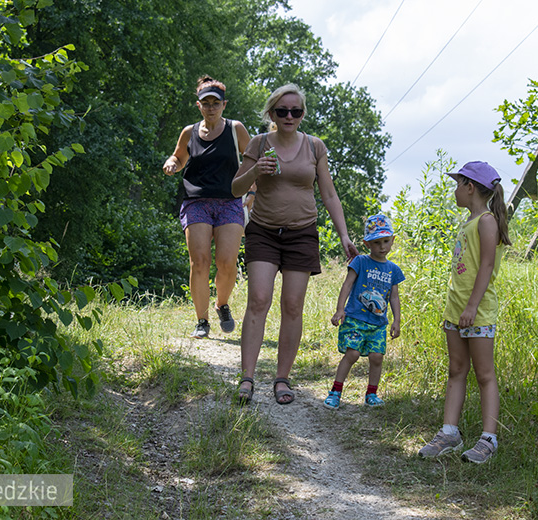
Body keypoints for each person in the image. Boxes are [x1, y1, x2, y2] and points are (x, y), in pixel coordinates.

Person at [231, 83, 359, 405]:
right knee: (259, 299)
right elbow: (234, 188)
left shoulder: (315, 147)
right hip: (263, 230)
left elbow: (328, 193)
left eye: (296, 111)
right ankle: (247, 378)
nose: (289, 116)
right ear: (272, 113)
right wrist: (255, 172)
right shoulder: (259, 144)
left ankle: (282, 378)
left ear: (302, 114)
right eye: (282, 111)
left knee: (292, 305)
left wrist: (344, 235)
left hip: (302, 232)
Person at [418, 161, 512, 464]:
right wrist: (458, 309)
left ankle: (488, 439)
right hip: (456, 311)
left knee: (484, 374)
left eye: (457, 184)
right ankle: (449, 433)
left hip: (478, 312)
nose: (455, 190)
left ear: (469, 187)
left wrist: (471, 306)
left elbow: (486, 267)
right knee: (456, 371)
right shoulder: (470, 221)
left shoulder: (486, 221)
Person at [163, 76, 253, 339]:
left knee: (226, 263)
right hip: (196, 202)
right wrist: (171, 163)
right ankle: (201, 320)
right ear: (198, 105)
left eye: (216, 103)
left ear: (224, 105)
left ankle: (221, 304)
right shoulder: (189, 132)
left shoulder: (236, 129)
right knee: (199, 262)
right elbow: (178, 157)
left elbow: (253, 161)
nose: (211, 107)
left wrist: (253, 191)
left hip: (229, 202)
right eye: (206, 103)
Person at [323, 213, 405, 410]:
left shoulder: (393, 270)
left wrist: (396, 321)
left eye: (386, 241)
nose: (382, 246)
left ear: (393, 240)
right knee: (352, 353)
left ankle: (371, 394)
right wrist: (340, 309)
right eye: (377, 242)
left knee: (377, 357)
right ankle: (335, 391)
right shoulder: (360, 262)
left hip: (378, 324)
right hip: (356, 319)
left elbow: (394, 297)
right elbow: (347, 285)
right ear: (367, 244)